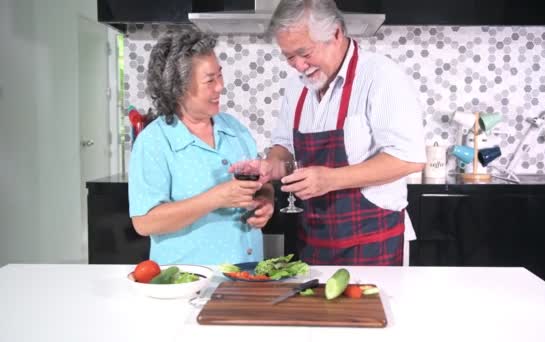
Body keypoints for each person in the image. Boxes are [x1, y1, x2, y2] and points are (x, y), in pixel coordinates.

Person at [265, 0, 426, 265]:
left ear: (336, 33)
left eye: (305, 53)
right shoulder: (296, 88)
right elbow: (284, 146)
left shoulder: (381, 76)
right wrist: (271, 165)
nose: (298, 66)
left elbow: (409, 158)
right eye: (289, 57)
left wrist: (331, 179)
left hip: (374, 241)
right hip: (312, 239)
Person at [128, 28, 274, 265]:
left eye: (220, 75)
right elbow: (144, 222)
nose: (220, 86)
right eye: (209, 80)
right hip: (189, 283)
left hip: (248, 275)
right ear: (178, 88)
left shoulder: (234, 129)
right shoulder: (154, 142)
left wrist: (266, 200)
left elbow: (261, 185)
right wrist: (215, 198)